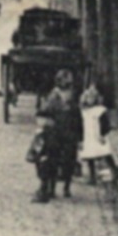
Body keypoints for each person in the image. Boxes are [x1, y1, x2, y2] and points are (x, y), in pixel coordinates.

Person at [37, 68, 82, 198]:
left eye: (67, 81)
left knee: (69, 161)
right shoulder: (53, 97)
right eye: (63, 81)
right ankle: (51, 187)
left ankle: (66, 187)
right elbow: (43, 113)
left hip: (69, 133)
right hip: (54, 133)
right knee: (52, 160)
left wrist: (80, 136)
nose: (65, 84)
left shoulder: (74, 96)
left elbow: (78, 117)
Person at [78, 84, 117, 184]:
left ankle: (114, 172)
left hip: (98, 135)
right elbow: (80, 126)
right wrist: (80, 139)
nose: (90, 100)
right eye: (88, 98)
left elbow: (105, 124)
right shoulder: (84, 111)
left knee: (105, 153)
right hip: (88, 136)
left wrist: (103, 135)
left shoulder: (100, 110)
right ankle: (92, 177)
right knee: (90, 156)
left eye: (92, 98)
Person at [27, 114, 61, 203]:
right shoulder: (46, 130)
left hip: (48, 156)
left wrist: (45, 155)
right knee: (48, 174)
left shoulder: (49, 132)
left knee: (45, 174)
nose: (38, 121)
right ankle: (49, 191)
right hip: (46, 156)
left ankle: (43, 193)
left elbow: (50, 144)